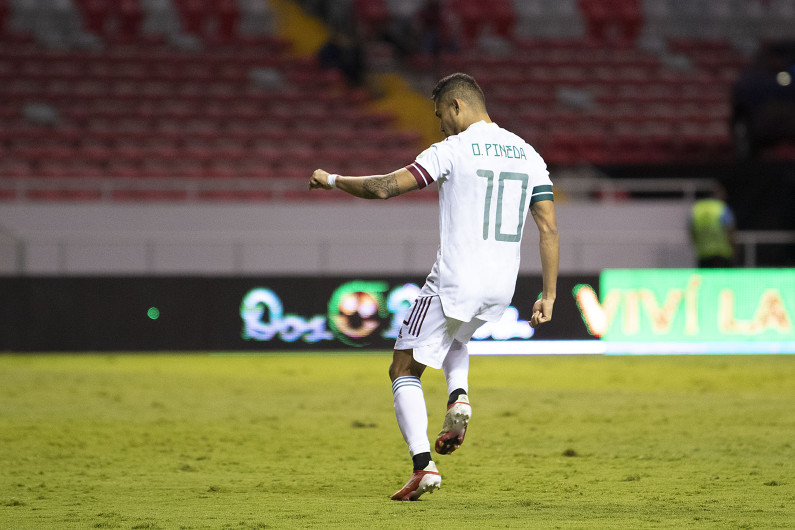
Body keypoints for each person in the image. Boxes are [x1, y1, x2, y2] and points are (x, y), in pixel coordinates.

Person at [309, 73, 559, 500]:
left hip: (454, 280)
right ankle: (458, 395)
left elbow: (383, 187)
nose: (440, 124)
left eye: (441, 114)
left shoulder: (453, 150)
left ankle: (423, 466)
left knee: (403, 367)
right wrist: (549, 294)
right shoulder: (528, 153)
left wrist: (331, 179)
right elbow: (548, 227)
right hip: (501, 285)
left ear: (457, 106)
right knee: (457, 332)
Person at [689, 185, 736, 268]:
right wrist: (733, 249)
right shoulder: (721, 208)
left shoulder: (697, 208)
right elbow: (730, 230)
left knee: (704, 279)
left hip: (703, 253)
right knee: (721, 280)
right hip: (721, 253)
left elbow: (691, 231)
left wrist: (696, 245)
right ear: (718, 194)